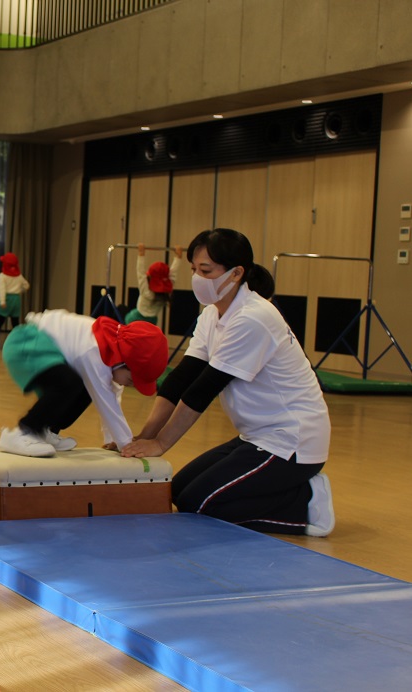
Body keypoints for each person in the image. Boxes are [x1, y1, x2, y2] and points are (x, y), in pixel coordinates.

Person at [122, 228, 334, 537]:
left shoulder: (253, 317)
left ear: (236, 273)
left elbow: (205, 388)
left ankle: (305, 502)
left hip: (290, 442)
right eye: (194, 269)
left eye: (206, 270)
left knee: (199, 504)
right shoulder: (212, 315)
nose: (197, 278)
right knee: (178, 491)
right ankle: (286, 493)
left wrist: (161, 444)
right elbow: (183, 377)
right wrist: (146, 436)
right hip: (255, 437)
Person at [0, 311, 168, 457]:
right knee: (69, 383)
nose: (130, 385)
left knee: (83, 386)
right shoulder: (94, 351)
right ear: (122, 362)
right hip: (26, 344)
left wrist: (114, 440)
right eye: (131, 381)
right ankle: (22, 433)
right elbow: (105, 401)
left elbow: (113, 396)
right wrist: (127, 445)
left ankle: (45, 430)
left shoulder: (114, 350)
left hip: (46, 350)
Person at [123, 243, 184, 325]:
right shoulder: (166, 293)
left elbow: (140, 273)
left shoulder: (146, 292)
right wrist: (178, 257)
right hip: (151, 322)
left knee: (120, 308)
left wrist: (141, 254)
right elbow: (173, 274)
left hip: (135, 320)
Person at [0, 252, 30, 341]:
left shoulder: (2, 276)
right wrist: (19, 290)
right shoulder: (19, 276)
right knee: (15, 321)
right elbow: (27, 285)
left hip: (7, 299)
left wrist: (2, 301)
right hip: (16, 299)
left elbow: (2, 289)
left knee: (0, 321)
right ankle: (19, 339)